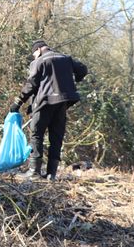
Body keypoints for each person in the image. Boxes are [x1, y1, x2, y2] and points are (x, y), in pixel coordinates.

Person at [9, 40, 88, 181]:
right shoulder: (65, 58)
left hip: (44, 103)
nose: (34, 57)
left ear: (38, 50)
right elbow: (83, 70)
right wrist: (73, 80)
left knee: (37, 135)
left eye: (34, 54)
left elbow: (31, 84)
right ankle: (51, 174)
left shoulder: (39, 62)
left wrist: (18, 102)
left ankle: (34, 172)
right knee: (56, 138)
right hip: (62, 103)